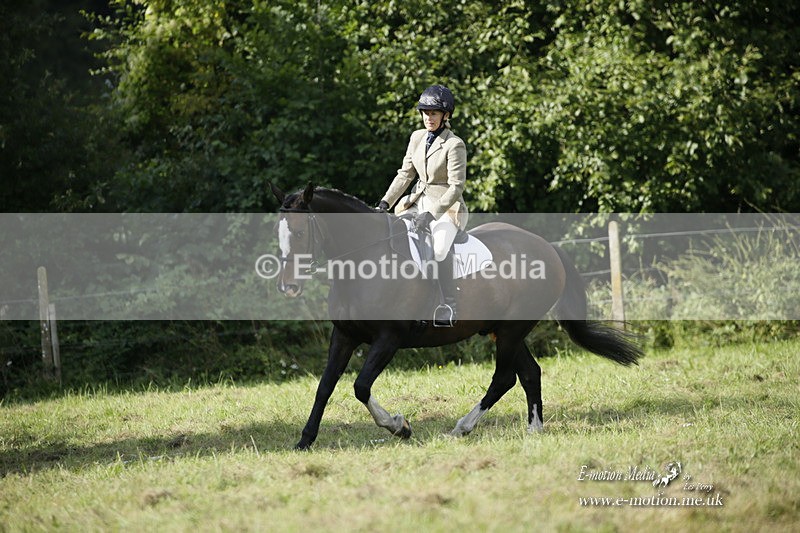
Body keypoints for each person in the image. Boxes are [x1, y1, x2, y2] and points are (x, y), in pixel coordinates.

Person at [376, 85, 468, 327]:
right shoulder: (416, 137)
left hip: (446, 208)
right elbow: (405, 174)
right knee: (396, 239)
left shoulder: (454, 144)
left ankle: (448, 303)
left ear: (445, 115)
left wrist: (432, 214)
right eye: (425, 113)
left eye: (434, 113)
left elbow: (456, 187)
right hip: (415, 202)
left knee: (437, 250)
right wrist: (385, 202)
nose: (428, 118)